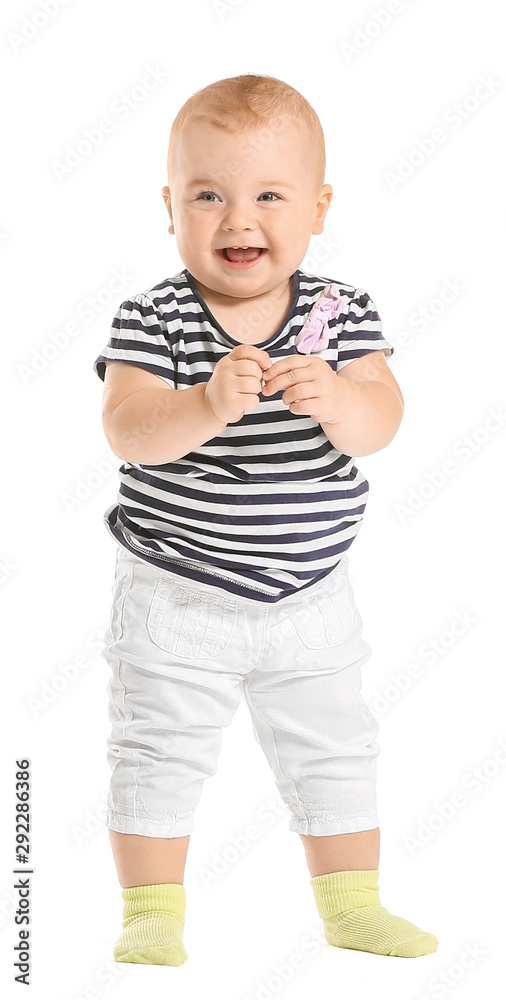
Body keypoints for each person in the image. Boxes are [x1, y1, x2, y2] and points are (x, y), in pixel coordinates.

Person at [93, 73, 438, 965]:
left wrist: (339, 398)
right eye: (207, 195)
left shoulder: (341, 312)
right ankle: (152, 912)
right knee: (157, 750)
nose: (238, 218)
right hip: (180, 590)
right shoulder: (155, 317)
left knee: (337, 747)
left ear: (319, 207)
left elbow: (383, 423)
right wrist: (205, 404)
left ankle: (352, 905)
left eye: (269, 195)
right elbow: (129, 432)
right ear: (169, 207)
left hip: (311, 593)